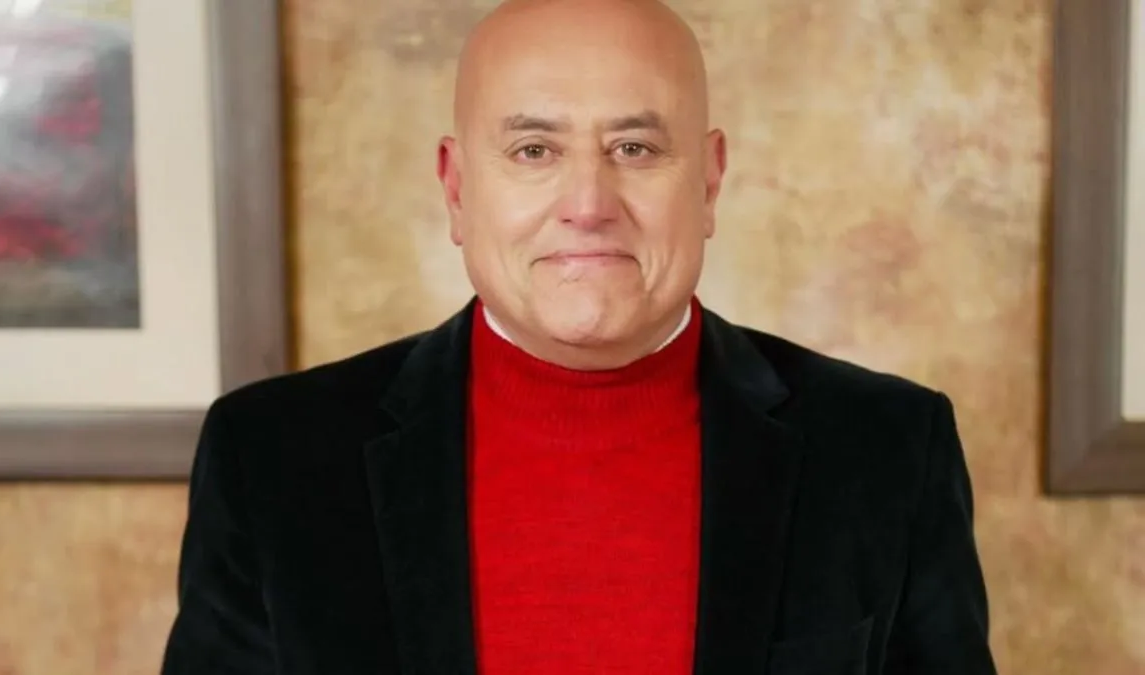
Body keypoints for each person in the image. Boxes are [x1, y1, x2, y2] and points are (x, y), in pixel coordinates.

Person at [160, 0, 998, 672]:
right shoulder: (271, 457)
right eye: (534, 150)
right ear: (457, 190)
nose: (589, 203)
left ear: (709, 183)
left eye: (635, 147)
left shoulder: (887, 448)